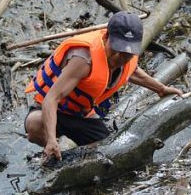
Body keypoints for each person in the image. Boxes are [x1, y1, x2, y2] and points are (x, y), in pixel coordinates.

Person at [24, 11, 182, 163]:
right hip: (53, 110)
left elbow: (133, 72)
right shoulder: (83, 59)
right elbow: (51, 99)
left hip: (81, 114)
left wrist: (161, 89)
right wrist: (51, 140)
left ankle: (72, 155)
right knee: (35, 124)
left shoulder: (128, 58)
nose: (120, 57)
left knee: (107, 149)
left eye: (126, 53)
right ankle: (51, 152)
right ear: (106, 36)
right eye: (117, 49)